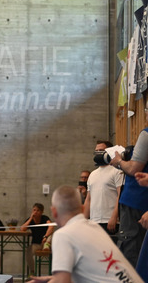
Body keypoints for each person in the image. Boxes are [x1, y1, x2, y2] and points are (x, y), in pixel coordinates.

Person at [29, 185, 141, 283]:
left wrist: (58, 279)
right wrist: (54, 279)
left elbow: (62, 281)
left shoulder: (63, 235)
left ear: (54, 212)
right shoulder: (95, 227)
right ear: (82, 208)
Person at [110, 118, 148, 267]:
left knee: (131, 255)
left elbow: (133, 169)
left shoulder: (146, 134)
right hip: (141, 202)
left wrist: (119, 162)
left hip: (136, 202)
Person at [84, 141, 123, 241]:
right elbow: (88, 199)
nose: (98, 153)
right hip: (94, 222)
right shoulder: (92, 174)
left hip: (110, 221)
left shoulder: (116, 171)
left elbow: (120, 195)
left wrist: (114, 217)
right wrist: (83, 221)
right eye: (96, 151)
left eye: (101, 150)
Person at [21, 203, 53, 277]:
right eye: (34, 210)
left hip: (46, 240)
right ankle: (32, 271)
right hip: (37, 244)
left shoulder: (44, 218)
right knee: (28, 252)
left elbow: (51, 226)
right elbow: (22, 229)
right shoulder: (30, 220)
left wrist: (45, 236)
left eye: (38, 210)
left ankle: (46, 245)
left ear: (41, 212)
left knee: (50, 235)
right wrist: (30, 219)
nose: (35, 212)